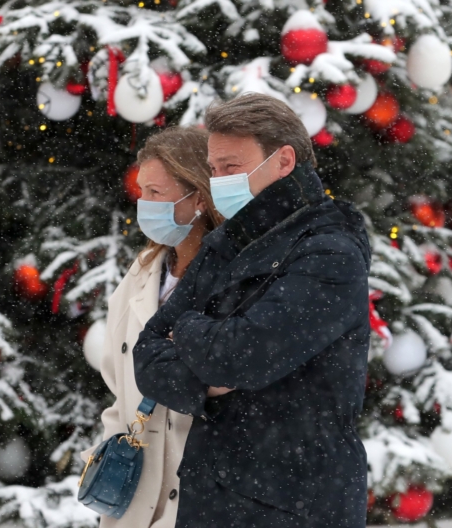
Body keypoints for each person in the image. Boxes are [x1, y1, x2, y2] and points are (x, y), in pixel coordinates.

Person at [132, 93, 371, 528]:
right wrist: (211, 377)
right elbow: (146, 354)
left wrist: (185, 330)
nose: (220, 179)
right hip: (211, 492)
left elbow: (241, 356)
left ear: (284, 161)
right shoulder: (225, 242)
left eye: (232, 167)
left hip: (297, 501)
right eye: (214, 168)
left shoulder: (329, 252)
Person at [81, 126, 223, 528]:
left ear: (197, 197)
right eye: (142, 192)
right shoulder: (142, 272)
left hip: (202, 490)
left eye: (156, 193)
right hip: (135, 495)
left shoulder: (233, 276)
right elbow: (116, 380)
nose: (144, 205)